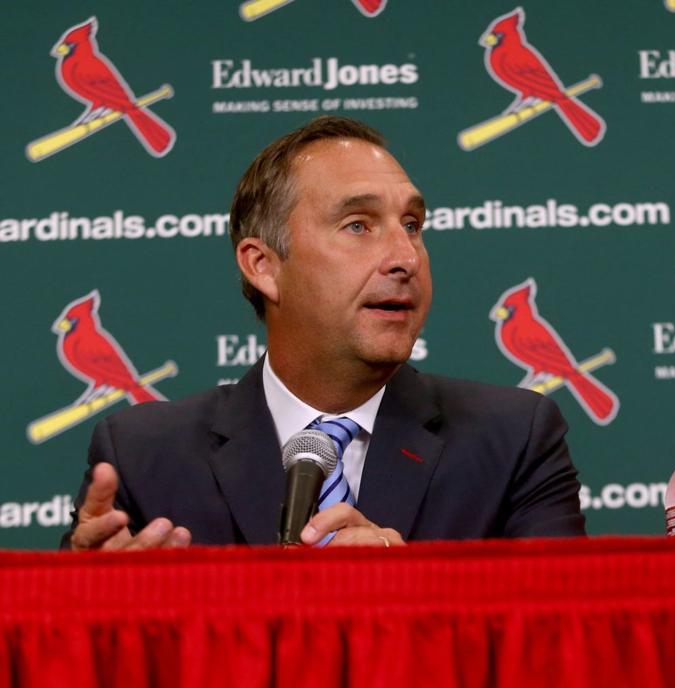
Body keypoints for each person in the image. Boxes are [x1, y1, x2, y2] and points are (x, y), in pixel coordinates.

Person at [67, 116, 586, 550]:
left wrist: (407, 588)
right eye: (358, 225)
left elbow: (567, 647)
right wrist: (89, 592)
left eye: (411, 224)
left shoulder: (515, 438)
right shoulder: (141, 455)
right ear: (263, 266)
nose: (406, 258)